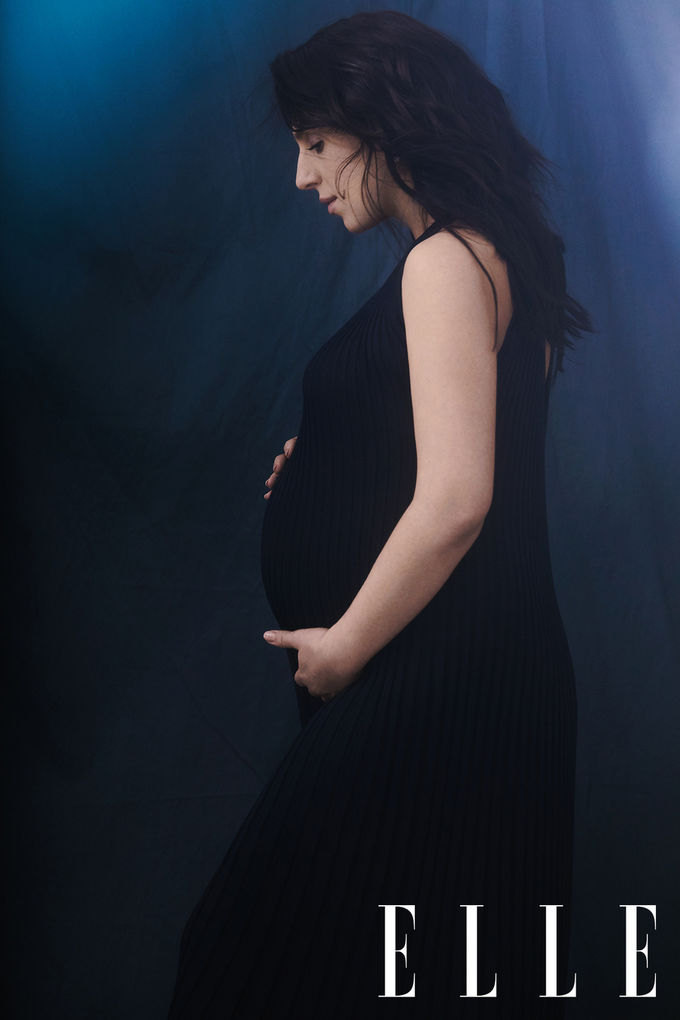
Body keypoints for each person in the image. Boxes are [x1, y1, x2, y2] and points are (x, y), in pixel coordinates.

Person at [167, 10, 592, 1018]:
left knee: (249, 960)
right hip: (485, 675)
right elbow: (468, 442)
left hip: (433, 680)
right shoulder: (505, 257)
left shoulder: (445, 262)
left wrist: (344, 650)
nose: (301, 176)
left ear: (384, 122)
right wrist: (334, 455)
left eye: (316, 143)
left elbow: (459, 498)